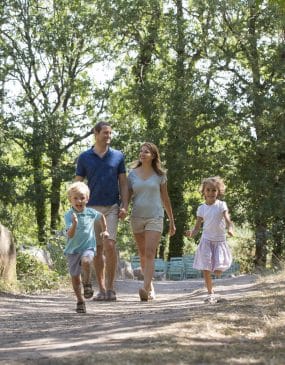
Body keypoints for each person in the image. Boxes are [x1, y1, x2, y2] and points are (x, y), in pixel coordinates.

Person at [75, 121, 128, 301]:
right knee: (97, 249)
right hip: (91, 208)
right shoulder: (84, 157)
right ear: (96, 134)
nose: (109, 136)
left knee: (110, 245)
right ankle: (102, 289)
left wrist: (125, 205)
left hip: (112, 206)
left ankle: (111, 288)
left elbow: (123, 183)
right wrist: (77, 207)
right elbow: (78, 184)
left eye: (110, 133)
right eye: (105, 133)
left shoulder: (118, 156)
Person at [128, 142, 176, 301]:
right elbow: (127, 196)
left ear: (153, 155)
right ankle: (151, 287)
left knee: (150, 253)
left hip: (155, 217)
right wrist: (122, 209)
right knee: (142, 255)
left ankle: (145, 288)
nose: (142, 154)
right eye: (141, 151)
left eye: (146, 152)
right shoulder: (132, 174)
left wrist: (171, 220)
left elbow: (165, 198)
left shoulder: (160, 175)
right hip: (137, 217)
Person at [185, 176, 234, 304]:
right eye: (208, 190)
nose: (211, 193)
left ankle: (216, 274)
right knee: (206, 268)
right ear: (203, 192)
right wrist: (191, 233)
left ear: (218, 191)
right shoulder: (201, 208)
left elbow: (228, 220)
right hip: (206, 240)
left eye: (214, 190)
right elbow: (197, 227)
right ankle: (210, 292)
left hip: (219, 240)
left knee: (217, 271)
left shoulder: (221, 205)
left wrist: (230, 229)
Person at [64, 181, 109, 313]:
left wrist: (105, 230)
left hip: (88, 247)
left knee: (87, 261)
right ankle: (80, 301)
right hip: (72, 250)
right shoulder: (69, 215)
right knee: (75, 277)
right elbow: (70, 235)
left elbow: (101, 217)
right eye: (75, 198)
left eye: (82, 198)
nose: (79, 201)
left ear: (87, 199)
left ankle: (87, 284)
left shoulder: (91, 212)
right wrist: (74, 224)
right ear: (70, 199)